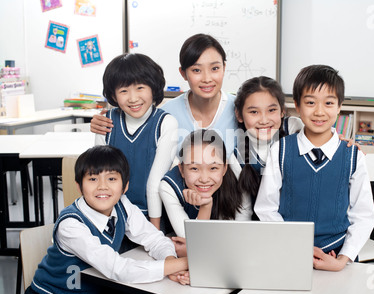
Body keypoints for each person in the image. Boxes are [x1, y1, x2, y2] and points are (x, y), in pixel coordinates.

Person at [22, 145, 189, 294]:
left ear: (125, 187)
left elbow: (154, 238)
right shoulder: (71, 225)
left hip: (94, 293)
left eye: (111, 179)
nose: (102, 186)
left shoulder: (122, 204)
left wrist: (171, 262)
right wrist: (185, 262)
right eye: (93, 179)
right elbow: (118, 269)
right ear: (79, 187)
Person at [254, 65, 374, 272]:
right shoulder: (281, 150)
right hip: (288, 252)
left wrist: (342, 260)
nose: (319, 111)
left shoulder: (353, 156)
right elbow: (266, 208)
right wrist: (293, 246)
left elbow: (363, 216)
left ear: (339, 107)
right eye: (310, 102)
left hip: (334, 253)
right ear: (298, 106)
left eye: (329, 103)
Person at [90, 33, 237, 159]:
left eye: (215, 68)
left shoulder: (242, 110)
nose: (207, 78)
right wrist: (104, 121)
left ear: (224, 68)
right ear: (183, 73)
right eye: (197, 70)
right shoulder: (167, 115)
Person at [96, 53, 178, 230]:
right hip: (112, 216)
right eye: (124, 91)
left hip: (151, 216)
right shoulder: (106, 122)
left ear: (153, 89)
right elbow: (99, 178)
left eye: (140, 88)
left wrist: (154, 232)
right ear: (113, 94)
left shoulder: (166, 123)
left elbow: (155, 183)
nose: (133, 98)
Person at [159, 129, 253, 256]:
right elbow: (194, 241)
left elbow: (242, 234)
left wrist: (193, 248)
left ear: (225, 168)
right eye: (194, 168)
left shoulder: (238, 177)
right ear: (181, 169)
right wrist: (206, 206)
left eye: (213, 168)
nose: (204, 179)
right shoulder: (169, 186)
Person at [230, 76, 303, 211]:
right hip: (262, 226)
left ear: (282, 111)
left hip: (298, 220)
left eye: (271, 110)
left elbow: (320, 140)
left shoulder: (293, 127)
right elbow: (244, 212)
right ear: (239, 115)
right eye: (254, 112)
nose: (264, 120)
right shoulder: (237, 157)